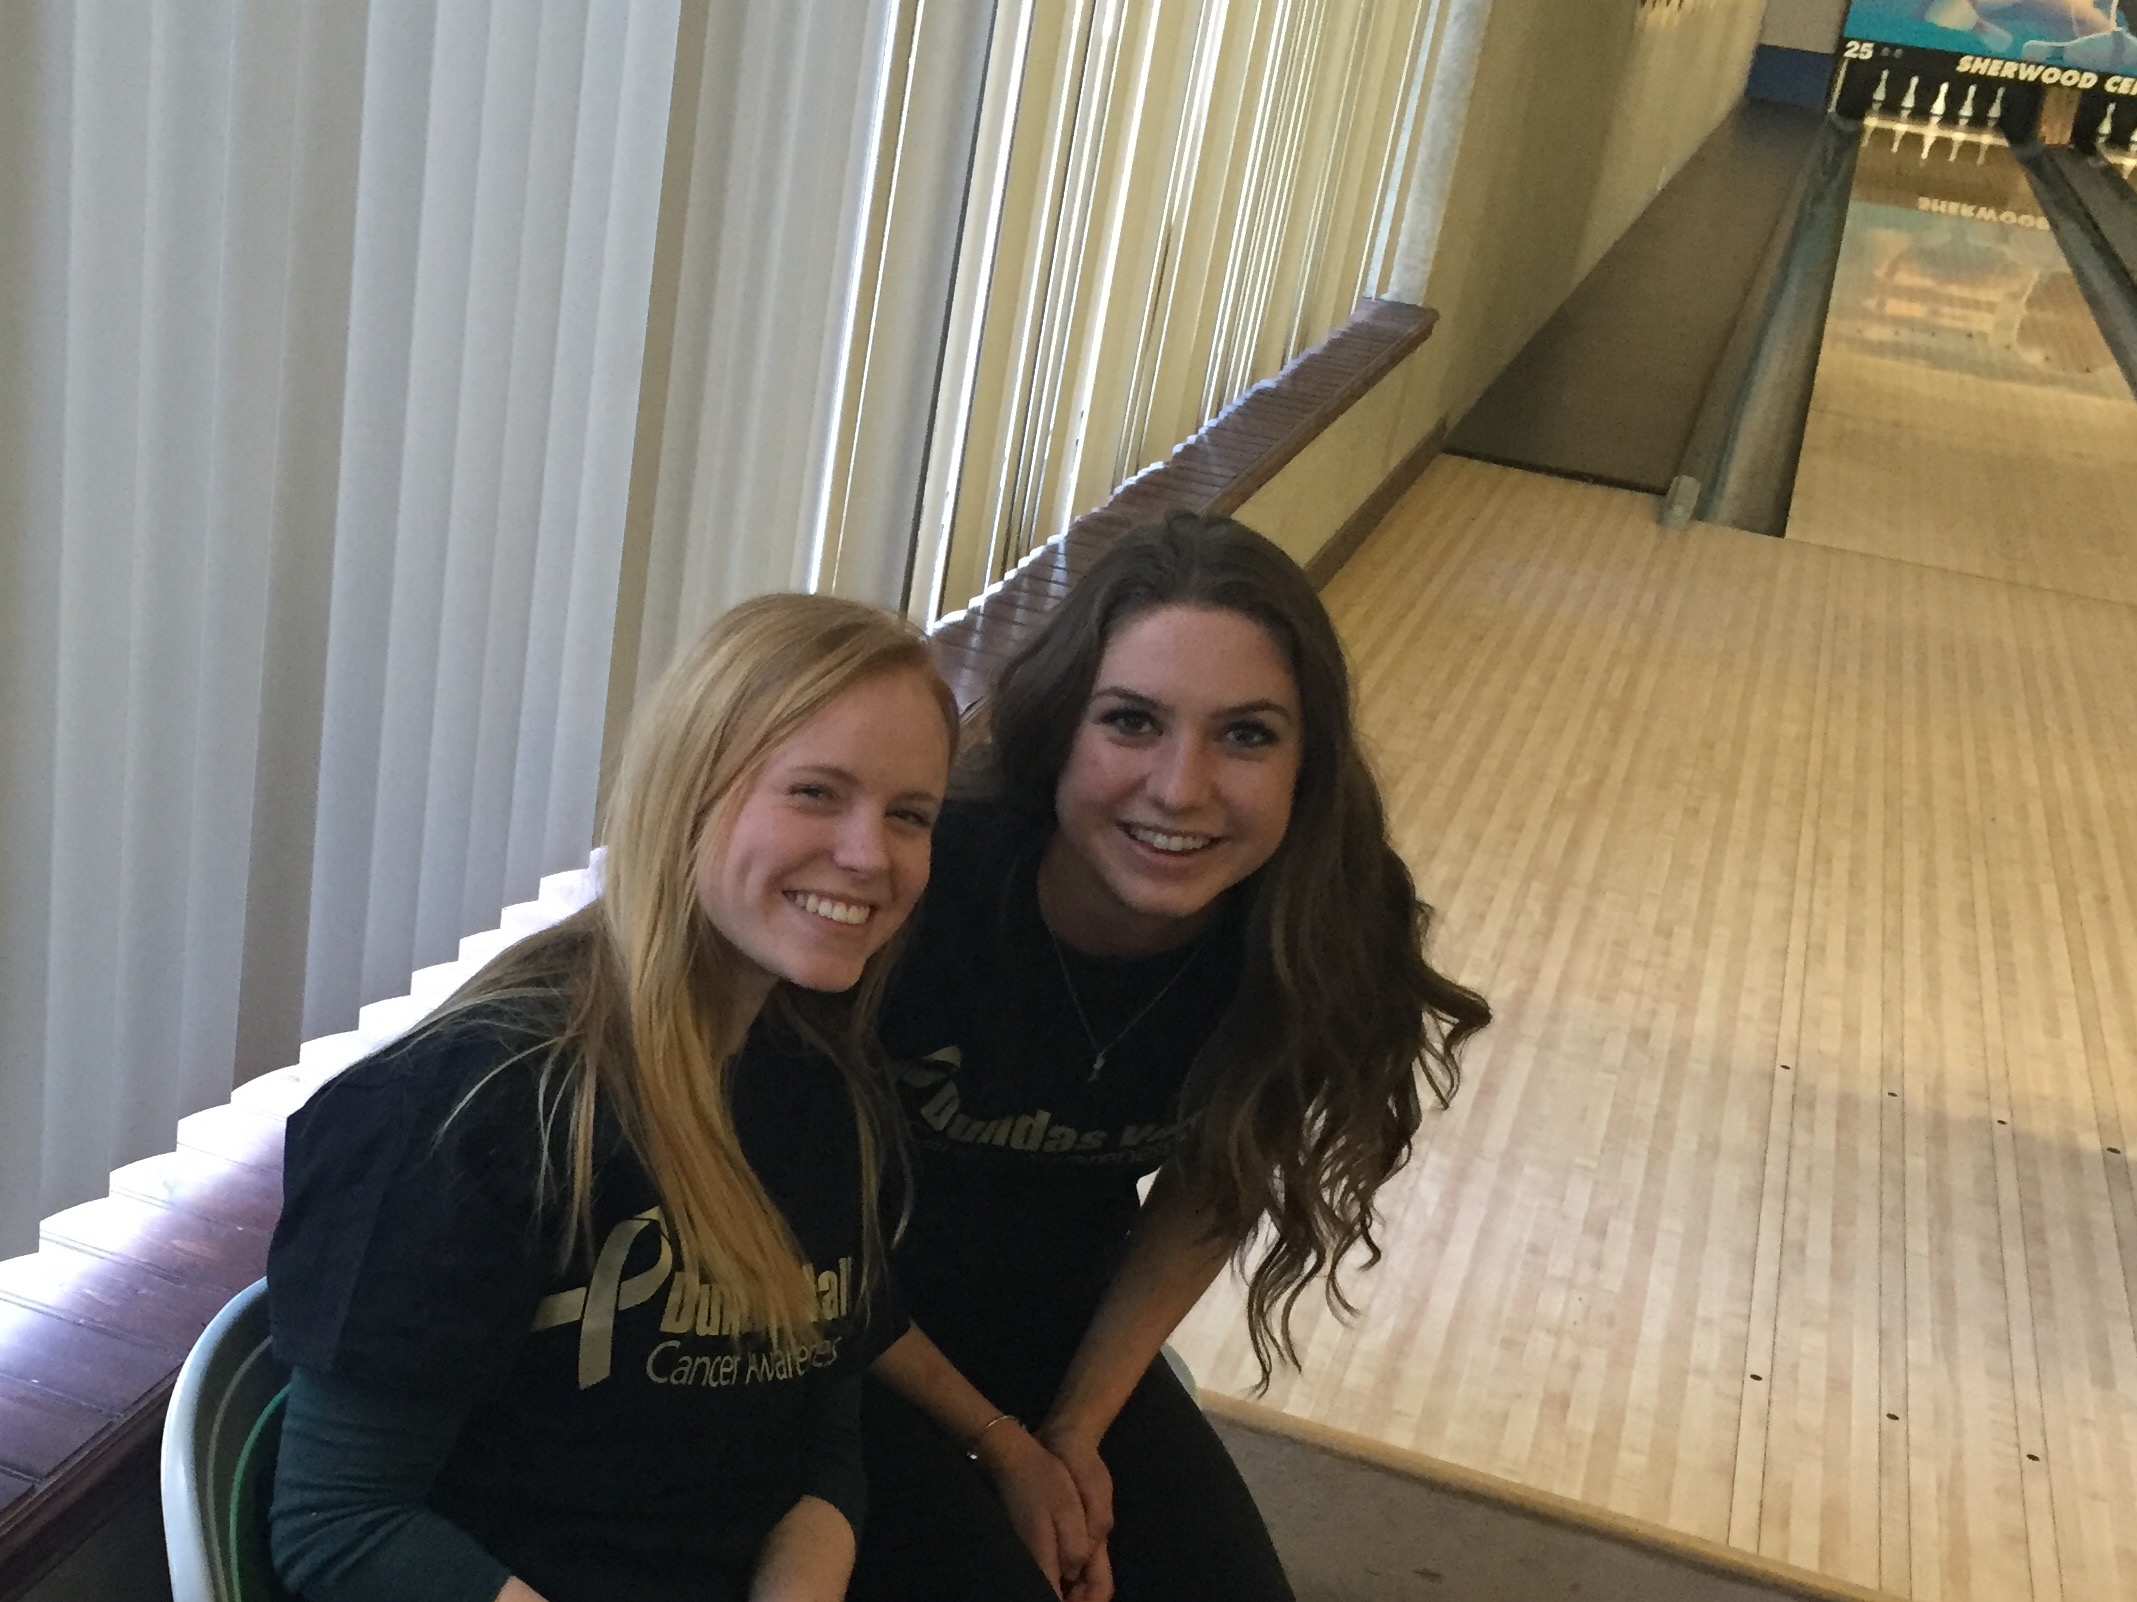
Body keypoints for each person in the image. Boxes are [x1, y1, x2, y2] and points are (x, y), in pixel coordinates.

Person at [265, 594, 958, 1602]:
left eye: (910, 815)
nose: (869, 854)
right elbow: (340, 1526)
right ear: (685, 793)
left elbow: (822, 1451)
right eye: (815, 792)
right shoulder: (464, 1109)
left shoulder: (825, 1087)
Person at [850, 514, 1492, 1601]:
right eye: (1131, 721)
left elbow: (1214, 1183)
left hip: (1056, 1327)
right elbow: (783, 1227)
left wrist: (1075, 1428)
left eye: (1246, 735)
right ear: (1059, 729)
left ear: (1308, 764)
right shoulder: (922, 887)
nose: (1180, 787)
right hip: (836, 1325)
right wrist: (999, 1447)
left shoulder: (1317, 929)